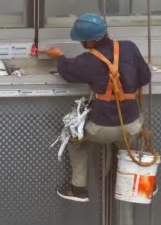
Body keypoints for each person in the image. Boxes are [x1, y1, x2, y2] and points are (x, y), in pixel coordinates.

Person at [43, 13, 152, 202]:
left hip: (100, 129)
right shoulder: (129, 47)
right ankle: (143, 183)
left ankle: (78, 188)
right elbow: (145, 77)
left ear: (90, 41)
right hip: (130, 127)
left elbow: (68, 72)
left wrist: (59, 57)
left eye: (82, 41)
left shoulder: (88, 60)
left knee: (74, 136)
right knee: (131, 141)